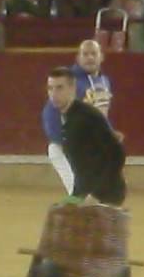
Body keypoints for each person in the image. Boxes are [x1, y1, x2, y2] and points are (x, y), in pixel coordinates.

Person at [44, 67, 126, 205]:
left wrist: (96, 194)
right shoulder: (68, 117)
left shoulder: (87, 116)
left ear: (72, 88)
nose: (54, 94)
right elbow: (82, 167)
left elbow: (117, 154)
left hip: (105, 195)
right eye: (50, 88)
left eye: (59, 88)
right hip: (86, 192)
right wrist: (76, 195)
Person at [43, 40, 115, 194]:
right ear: (78, 58)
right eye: (85, 54)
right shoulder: (69, 81)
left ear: (101, 57)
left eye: (93, 54)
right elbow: (50, 111)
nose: (89, 58)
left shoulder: (104, 81)